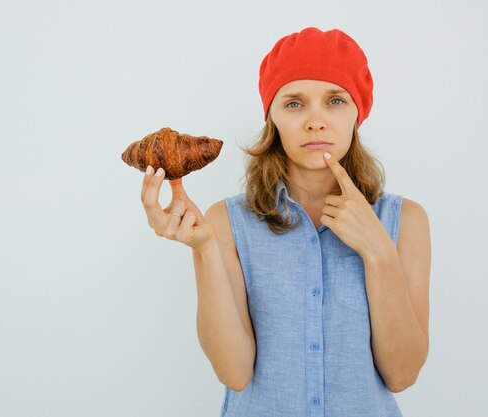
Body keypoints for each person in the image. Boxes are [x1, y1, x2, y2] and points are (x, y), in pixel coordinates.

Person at [140, 26, 430, 417]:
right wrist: (204, 249)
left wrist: (379, 253)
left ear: (357, 112)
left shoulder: (405, 220)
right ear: (272, 115)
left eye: (335, 101)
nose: (316, 121)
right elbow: (235, 373)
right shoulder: (226, 222)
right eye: (294, 103)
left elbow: (402, 374)